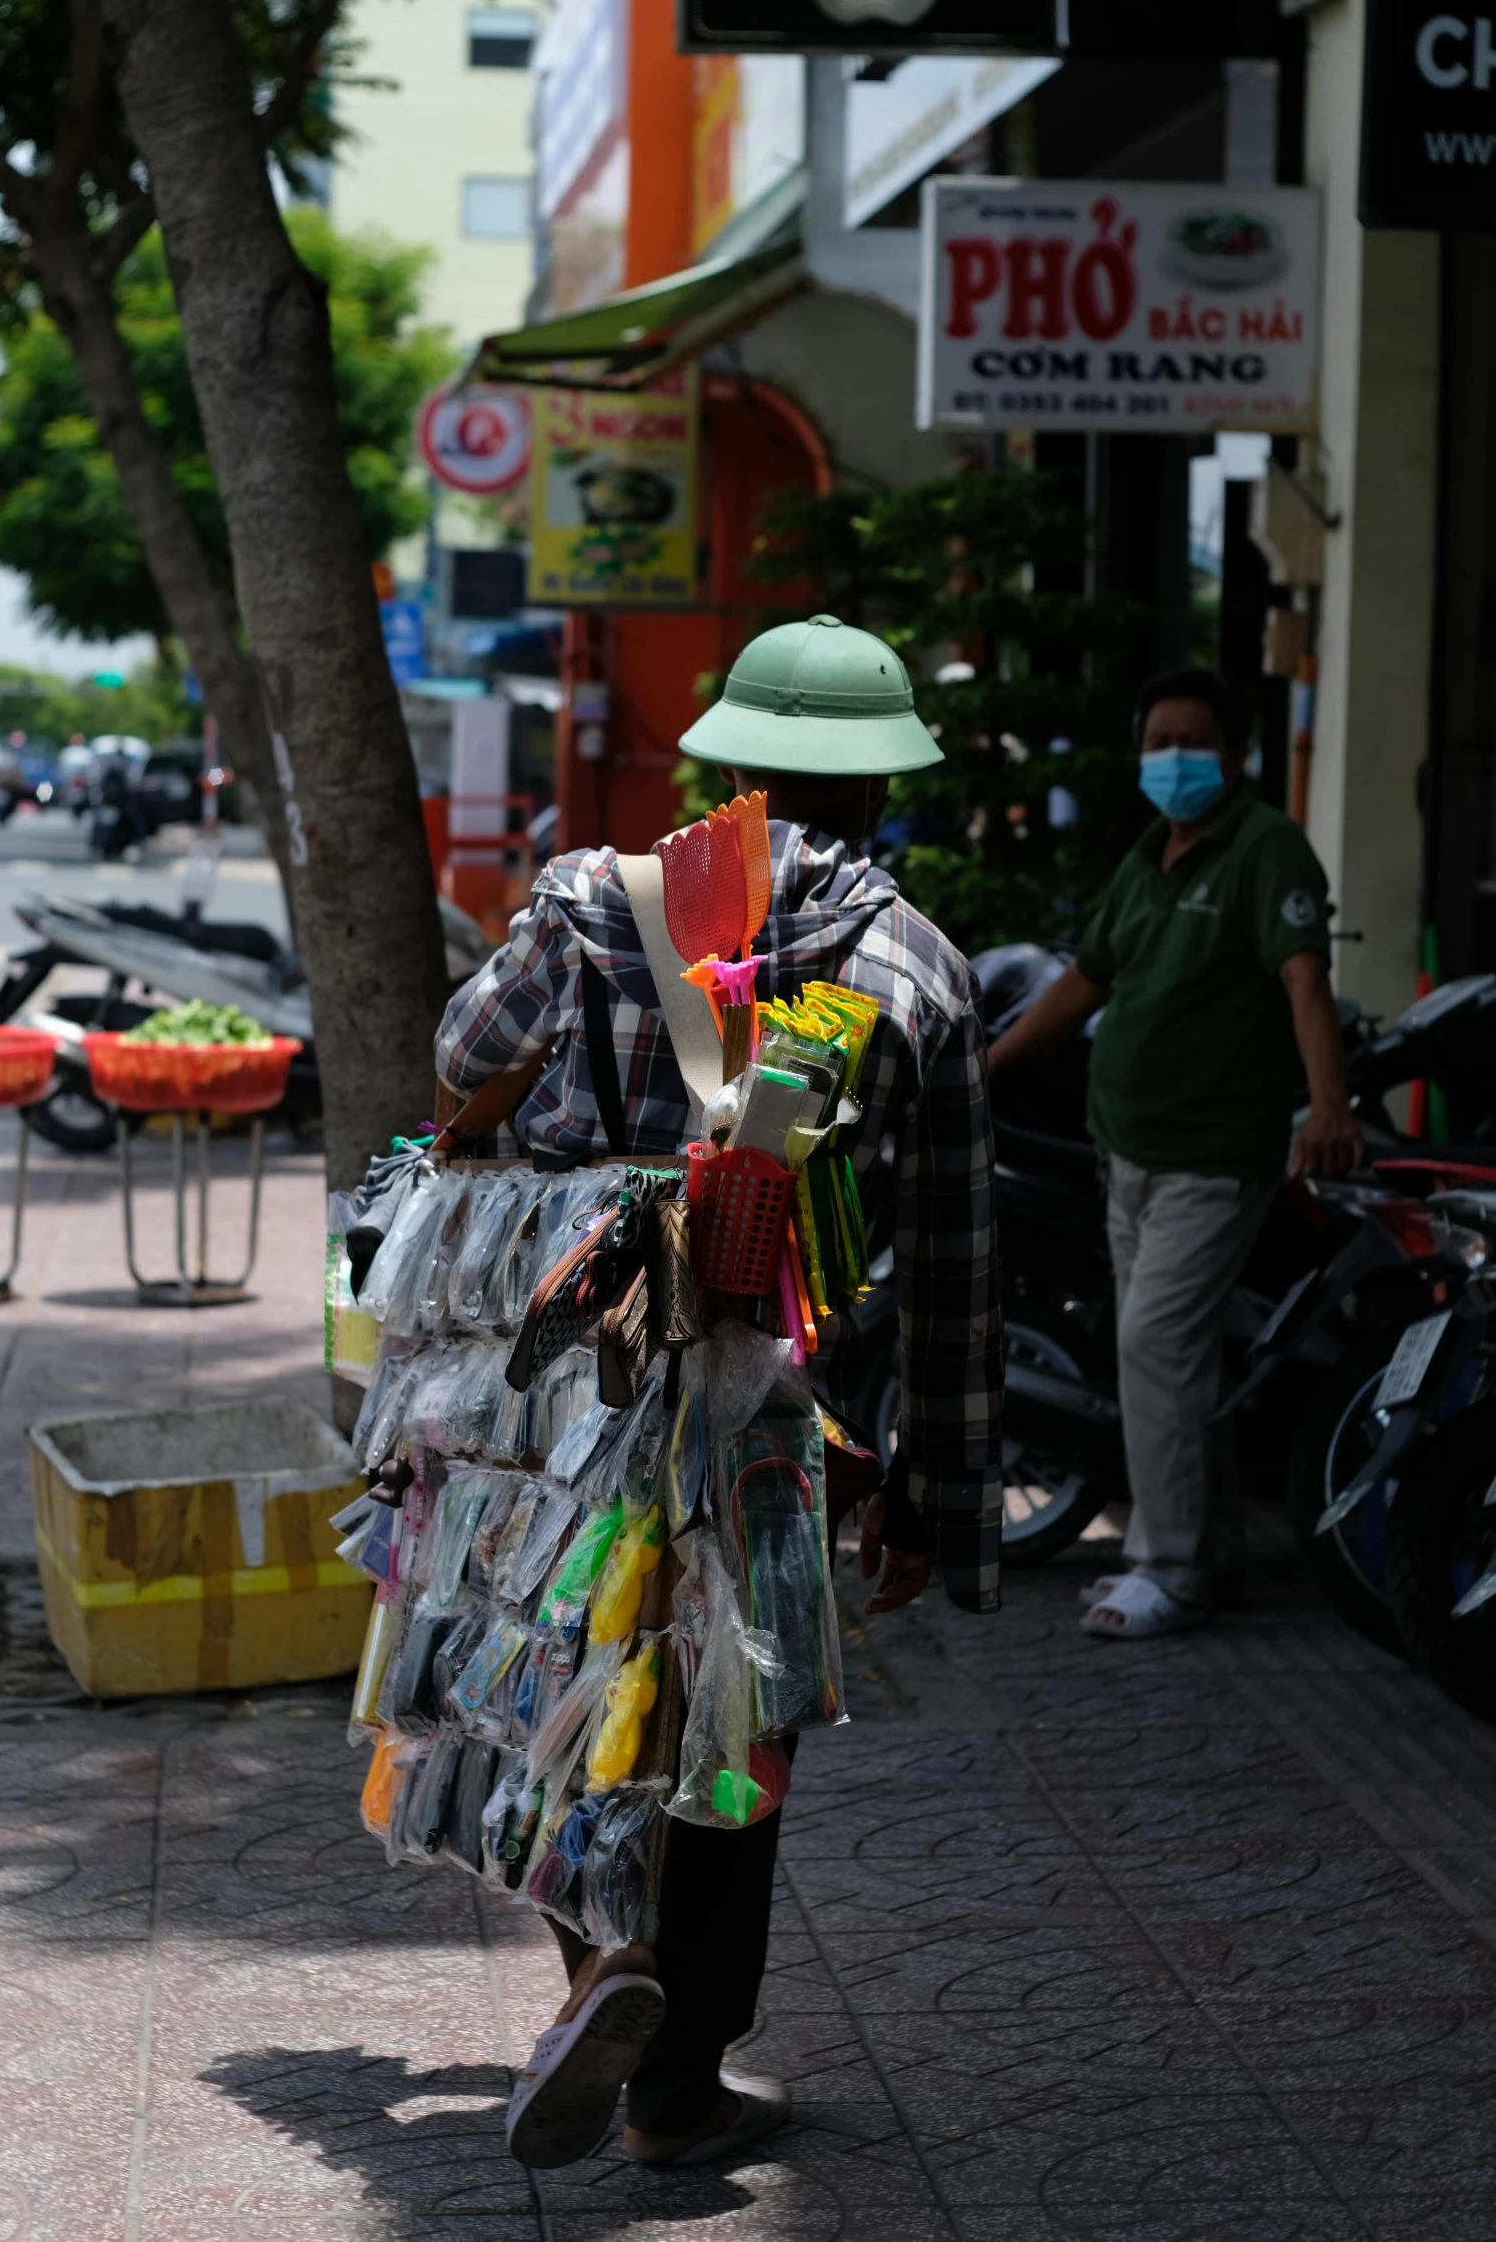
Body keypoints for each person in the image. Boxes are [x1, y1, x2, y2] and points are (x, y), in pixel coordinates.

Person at [434, 613, 1001, 2171]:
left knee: (569, 1681)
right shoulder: (915, 966)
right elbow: (955, 1265)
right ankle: (677, 2081)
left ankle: (599, 1969)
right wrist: (943, 1502)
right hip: (771, 1411)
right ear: (883, 790)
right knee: (734, 1724)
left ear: (726, 759)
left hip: (568, 1389)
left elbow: (457, 1044)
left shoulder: (585, 902)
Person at [987, 668, 1362, 1641]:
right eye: (1158, 741)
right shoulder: (1149, 855)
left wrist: (1329, 1107)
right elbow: (1082, 981)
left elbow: (1305, 984)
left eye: (1194, 741)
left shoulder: (1267, 850)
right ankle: (1215, 1548)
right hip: (1126, 1150)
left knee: (1156, 1345)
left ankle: (1169, 1563)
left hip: (1214, 1153)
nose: (1174, 759)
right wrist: (984, 1065)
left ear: (1235, 754)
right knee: (1171, 1354)